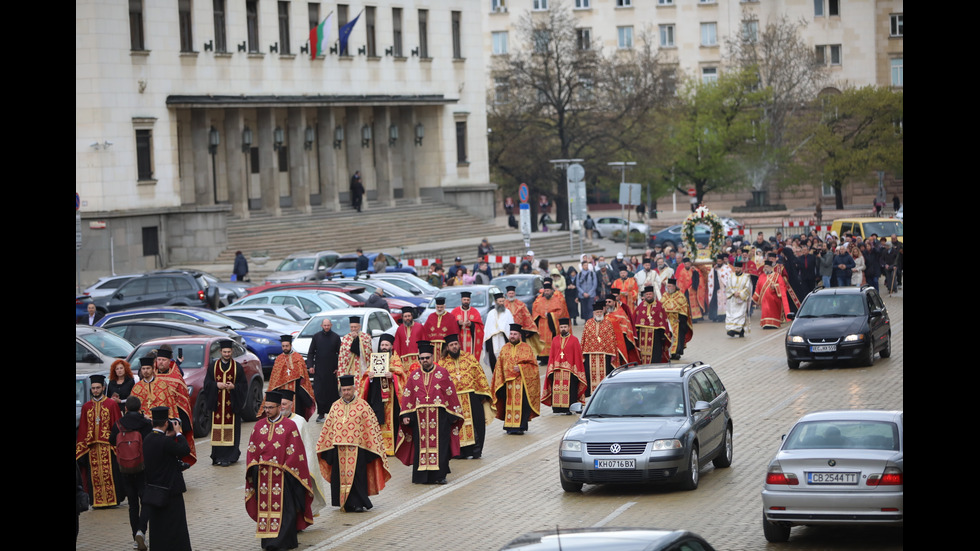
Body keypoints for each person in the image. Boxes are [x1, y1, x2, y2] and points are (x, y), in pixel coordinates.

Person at [245, 391, 314, 549]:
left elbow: (297, 452)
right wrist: (255, 468)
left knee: (286, 511)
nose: (267, 410)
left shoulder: (290, 426)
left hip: (284, 477)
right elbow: (252, 449)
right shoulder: (259, 426)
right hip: (262, 478)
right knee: (265, 510)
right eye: (266, 407)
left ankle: (284, 542)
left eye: (270, 407)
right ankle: (269, 541)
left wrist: (286, 469)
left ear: (278, 407)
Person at [316, 375, 391, 512]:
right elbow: (328, 427)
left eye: (349, 390)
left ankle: (358, 503)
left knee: (358, 477)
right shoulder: (335, 406)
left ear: (354, 389)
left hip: (358, 449)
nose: (346, 393)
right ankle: (344, 502)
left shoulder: (363, 406)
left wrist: (372, 446)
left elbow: (371, 427)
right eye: (344, 390)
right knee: (339, 477)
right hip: (339, 449)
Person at [394, 343, 464, 484]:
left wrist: (454, 415)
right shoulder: (414, 376)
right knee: (421, 446)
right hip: (419, 420)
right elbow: (408, 397)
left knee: (441, 446)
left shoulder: (442, 373)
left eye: (427, 357)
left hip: (440, 418)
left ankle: (440, 476)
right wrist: (406, 416)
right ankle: (422, 477)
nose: (424, 360)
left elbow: (451, 394)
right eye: (422, 358)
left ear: (432, 357)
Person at [130, 356, 197, 466]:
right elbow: (133, 409)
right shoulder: (136, 388)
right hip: (145, 429)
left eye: (148, 368)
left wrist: (175, 427)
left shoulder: (162, 385)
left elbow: (171, 406)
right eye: (143, 369)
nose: (145, 371)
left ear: (152, 369)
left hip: (162, 427)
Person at [142, 406, 192, 551]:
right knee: (176, 527)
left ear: (153, 423)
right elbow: (184, 450)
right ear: (165, 423)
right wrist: (178, 434)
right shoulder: (165, 442)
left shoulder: (148, 439)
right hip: (171, 491)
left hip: (154, 491)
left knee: (158, 528)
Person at [441, 334, 494, 458]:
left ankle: (476, 451)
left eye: (456, 344)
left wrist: (482, 394)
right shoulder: (442, 363)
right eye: (451, 345)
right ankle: (459, 452)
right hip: (453, 400)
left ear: (459, 345)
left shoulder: (469, 358)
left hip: (471, 397)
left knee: (476, 424)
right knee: (456, 426)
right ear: (447, 347)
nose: (454, 347)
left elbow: (480, 375)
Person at [110, 396, 152, 549]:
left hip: (125, 469)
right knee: (146, 500)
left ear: (125, 408)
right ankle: (142, 530)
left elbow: (111, 440)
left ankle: (135, 537)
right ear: (140, 408)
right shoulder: (145, 423)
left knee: (132, 504)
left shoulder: (119, 424)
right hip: (142, 468)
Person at [279, 389, 328, 517]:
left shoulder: (300, 421)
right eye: (280, 404)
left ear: (291, 404)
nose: (282, 407)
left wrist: (307, 468)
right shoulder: (273, 421)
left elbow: (308, 447)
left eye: (284, 404)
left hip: (296, 469)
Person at [76, 374, 122, 508]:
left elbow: (117, 424)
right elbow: (83, 428)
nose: (95, 390)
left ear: (103, 387)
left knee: (111, 474)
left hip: (108, 447)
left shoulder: (111, 404)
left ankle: (112, 500)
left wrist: (115, 442)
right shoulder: (86, 406)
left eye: (98, 388)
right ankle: (97, 501)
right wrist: (83, 446)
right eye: (93, 388)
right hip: (92, 448)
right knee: (93, 475)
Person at [200, 339, 247, 467]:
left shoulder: (237, 367)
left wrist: (234, 387)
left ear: (232, 351)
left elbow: (243, 386)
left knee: (231, 431)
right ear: (220, 352)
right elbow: (206, 384)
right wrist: (216, 385)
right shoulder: (213, 366)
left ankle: (229, 457)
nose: (227, 354)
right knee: (216, 430)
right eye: (224, 352)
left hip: (231, 407)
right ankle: (217, 456)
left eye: (229, 352)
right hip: (217, 406)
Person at [360, 334, 408, 455]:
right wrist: (369, 378)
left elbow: (402, 377)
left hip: (392, 399)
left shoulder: (396, 361)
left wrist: (393, 377)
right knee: (377, 420)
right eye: (382, 345)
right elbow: (365, 379)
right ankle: (378, 447)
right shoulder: (375, 359)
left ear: (391, 346)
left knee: (393, 420)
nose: (384, 347)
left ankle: (394, 448)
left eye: (387, 345)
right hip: (378, 398)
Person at [491, 324, 540, 434]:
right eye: (511, 334)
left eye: (515, 334)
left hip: (522, 383)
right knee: (507, 404)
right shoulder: (504, 348)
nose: (512, 336)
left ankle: (521, 427)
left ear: (519, 335)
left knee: (522, 404)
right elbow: (498, 366)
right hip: (507, 383)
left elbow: (534, 366)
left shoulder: (526, 348)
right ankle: (509, 427)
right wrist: (500, 381)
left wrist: (522, 368)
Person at [542, 319, 586, 414]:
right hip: (557, 370)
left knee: (571, 390)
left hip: (570, 371)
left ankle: (569, 409)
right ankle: (558, 409)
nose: (563, 329)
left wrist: (576, 370)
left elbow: (578, 356)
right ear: (559, 328)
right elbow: (552, 356)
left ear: (569, 328)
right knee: (557, 389)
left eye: (565, 327)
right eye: (561, 327)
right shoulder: (555, 340)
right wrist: (551, 368)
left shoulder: (574, 340)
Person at [269, 335, 316, 421]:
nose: (285, 348)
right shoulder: (278, 359)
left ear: (291, 345)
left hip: (296, 392)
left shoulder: (298, 358)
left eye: (287, 346)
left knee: (297, 417)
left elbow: (304, 377)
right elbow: (274, 379)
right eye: (283, 346)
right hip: (281, 393)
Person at [581, 299, 619, 395]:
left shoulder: (608, 323)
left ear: (603, 312)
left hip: (605, 354)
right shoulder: (588, 323)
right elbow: (584, 339)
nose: (598, 314)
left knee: (605, 373)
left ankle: (604, 393)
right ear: (594, 313)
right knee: (590, 374)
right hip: (590, 355)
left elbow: (612, 339)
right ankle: (591, 394)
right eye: (597, 312)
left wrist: (611, 352)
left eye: (600, 312)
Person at [531, 278, 569, 361]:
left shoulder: (556, 300)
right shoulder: (540, 300)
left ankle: (551, 357)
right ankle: (543, 358)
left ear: (551, 291)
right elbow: (535, 311)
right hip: (541, 325)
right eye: (545, 291)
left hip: (551, 324)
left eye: (548, 291)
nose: (547, 292)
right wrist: (538, 316)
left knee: (551, 341)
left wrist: (550, 315)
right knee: (541, 341)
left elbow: (560, 311)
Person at [633, 286, 671, 364]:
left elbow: (663, 321)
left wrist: (663, 336)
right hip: (642, 336)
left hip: (656, 336)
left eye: (650, 294)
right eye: (647, 294)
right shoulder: (640, 306)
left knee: (655, 355)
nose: (648, 296)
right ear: (644, 296)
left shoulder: (659, 306)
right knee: (641, 355)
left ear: (653, 294)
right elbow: (635, 321)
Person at [482, 292, 515, 373]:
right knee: (493, 358)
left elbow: (510, 327)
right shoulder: (490, 313)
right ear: (496, 302)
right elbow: (487, 329)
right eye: (499, 301)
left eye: (503, 301)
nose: (501, 303)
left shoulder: (508, 313)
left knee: (505, 358)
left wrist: (504, 331)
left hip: (504, 339)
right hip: (493, 339)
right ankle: (495, 376)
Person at [753, 261, 791, 329]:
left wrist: (776, 286)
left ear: (771, 268)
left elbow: (783, 286)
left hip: (774, 298)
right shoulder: (761, 276)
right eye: (764, 267)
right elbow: (758, 287)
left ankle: (774, 324)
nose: (765, 269)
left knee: (773, 312)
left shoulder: (777, 276)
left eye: (767, 267)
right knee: (765, 311)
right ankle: (765, 324)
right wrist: (755, 297)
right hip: (764, 299)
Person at [661, 278, 694, 360]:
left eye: (670, 286)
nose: (669, 288)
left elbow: (684, 308)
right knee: (668, 337)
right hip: (667, 321)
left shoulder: (680, 296)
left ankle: (675, 353)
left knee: (677, 338)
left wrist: (681, 319)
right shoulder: (665, 295)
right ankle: (668, 353)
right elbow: (661, 307)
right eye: (668, 286)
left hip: (677, 321)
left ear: (674, 287)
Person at [339, 316, 373, 388]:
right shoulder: (346, 338)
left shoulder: (366, 337)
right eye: (352, 327)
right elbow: (343, 355)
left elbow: (368, 352)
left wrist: (357, 339)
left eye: (355, 327)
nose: (353, 329)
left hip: (362, 366)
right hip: (350, 368)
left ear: (359, 327)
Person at [451, 291, 484, 361]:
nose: (466, 301)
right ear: (461, 300)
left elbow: (480, 326)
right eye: (464, 300)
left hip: (471, 338)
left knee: (470, 357)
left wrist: (471, 324)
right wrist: (457, 323)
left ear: (470, 301)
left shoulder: (475, 312)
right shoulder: (455, 311)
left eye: (468, 300)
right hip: (459, 337)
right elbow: (450, 325)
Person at [725, 261, 752, 338]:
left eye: (737, 268)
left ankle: (740, 331)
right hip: (732, 300)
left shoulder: (746, 277)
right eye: (735, 268)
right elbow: (728, 286)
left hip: (741, 300)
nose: (736, 269)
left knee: (740, 315)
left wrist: (740, 293)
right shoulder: (731, 276)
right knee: (731, 315)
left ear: (741, 268)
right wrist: (734, 293)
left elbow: (748, 288)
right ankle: (731, 330)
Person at [707, 254, 732, 323]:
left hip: (724, 288)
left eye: (720, 261)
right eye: (717, 261)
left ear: (723, 261)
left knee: (724, 303)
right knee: (716, 302)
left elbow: (730, 277)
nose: (718, 263)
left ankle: (723, 316)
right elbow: (710, 277)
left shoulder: (727, 268)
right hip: (716, 288)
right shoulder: (714, 268)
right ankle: (715, 316)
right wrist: (714, 270)